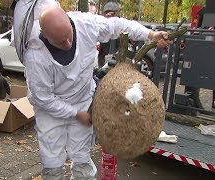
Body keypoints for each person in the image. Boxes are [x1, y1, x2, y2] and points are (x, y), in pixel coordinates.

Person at [22, 6, 171, 179]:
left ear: (69, 21)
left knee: (82, 158)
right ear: (45, 35)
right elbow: (43, 99)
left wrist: (150, 35)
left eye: (69, 36)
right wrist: (76, 114)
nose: (68, 44)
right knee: (52, 162)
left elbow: (118, 25)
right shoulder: (35, 55)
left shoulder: (86, 24)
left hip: (82, 100)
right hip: (51, 112)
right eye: (60, 42)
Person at [97, 1, 121, 68]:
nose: (109, 15)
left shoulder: (120, 25)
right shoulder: (101, 25)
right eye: (107, 13)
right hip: (103, 59)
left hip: (116, 61)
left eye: (112, 13)